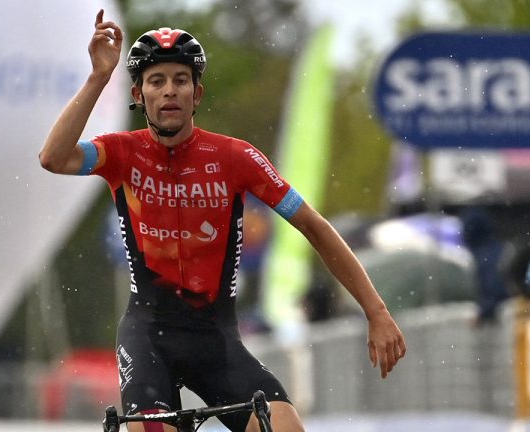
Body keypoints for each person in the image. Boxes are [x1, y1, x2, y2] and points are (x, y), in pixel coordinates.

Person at [38, 10, 406, 432]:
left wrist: (375, 311)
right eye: (157, 82)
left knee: (286, 429)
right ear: (139, 95)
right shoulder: (120, 152)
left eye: (181, 80)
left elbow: (314, 226)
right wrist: (98, 78)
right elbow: (53, 157)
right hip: (148, 338)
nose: (170, 91)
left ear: (198, 94)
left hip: (216, 339)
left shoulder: (235, 158)